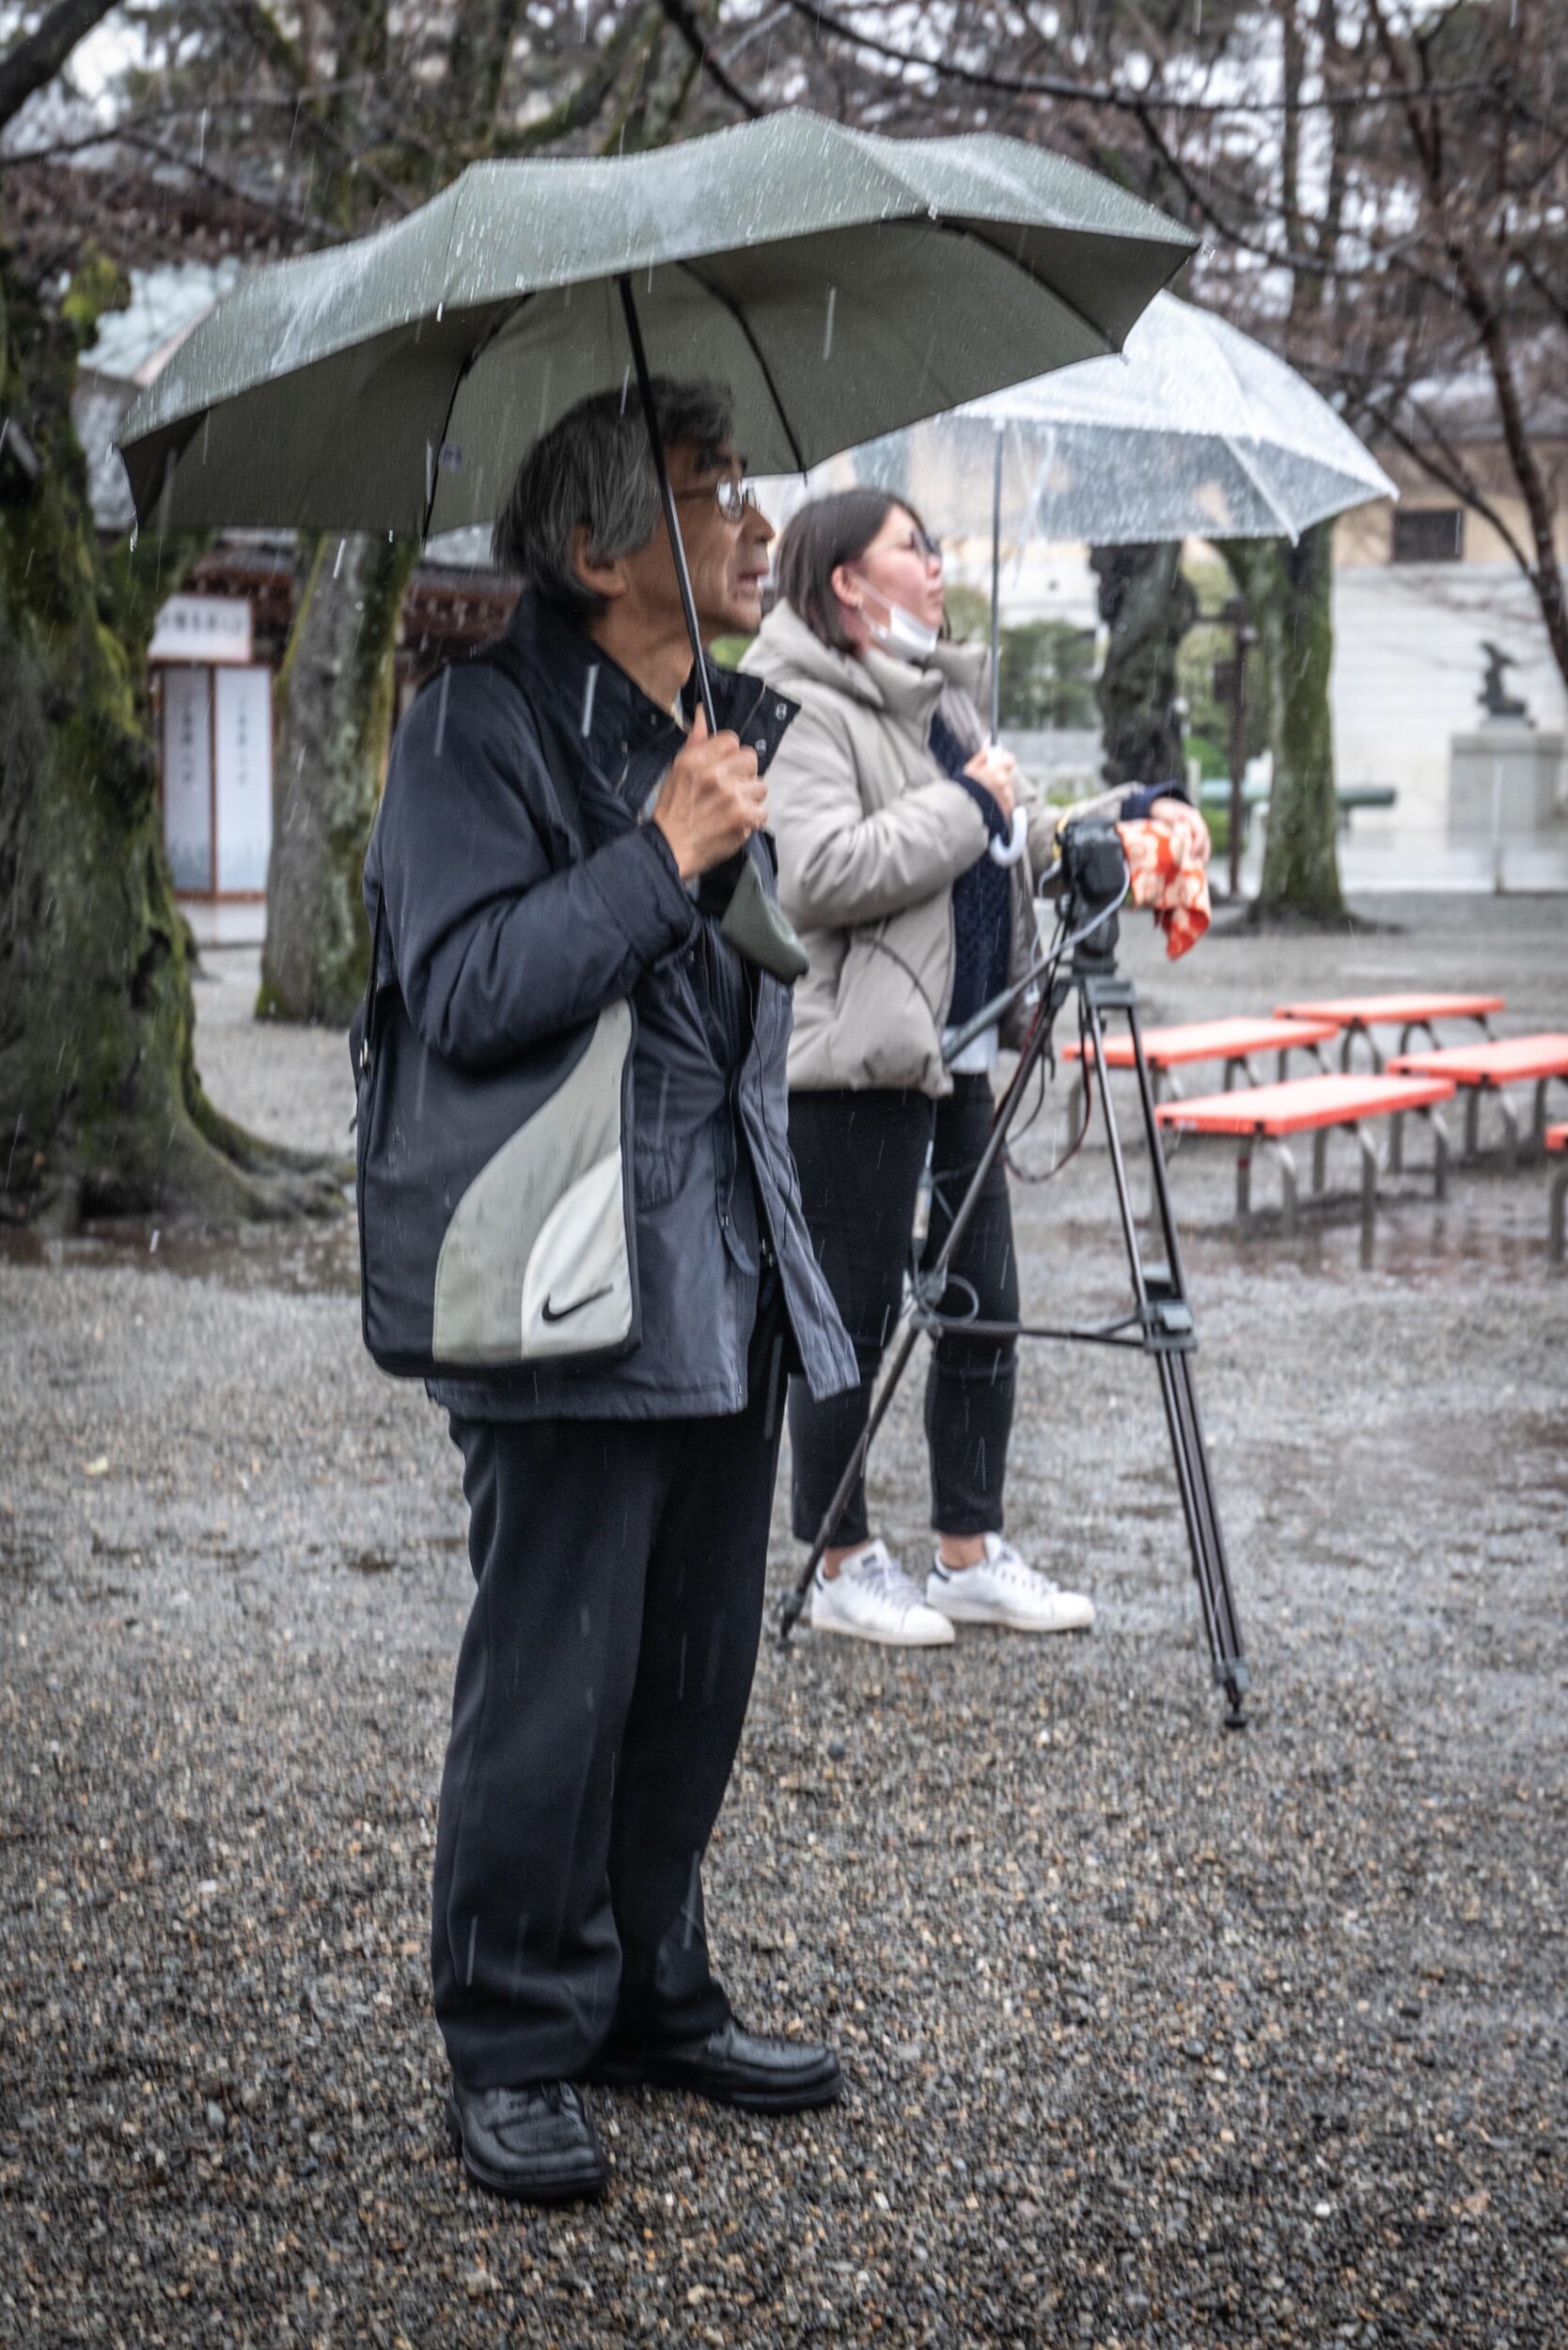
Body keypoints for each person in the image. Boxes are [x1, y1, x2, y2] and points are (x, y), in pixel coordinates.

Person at [366, 381, 856, 2205]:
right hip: (565, 1272)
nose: (748, 523)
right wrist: (662, 852)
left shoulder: (711, 721)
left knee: (688, 1671)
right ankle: (511, 2030)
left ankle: (651, 1985)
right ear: (595, 551)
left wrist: (702, 821)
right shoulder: (471, 729)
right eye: (708, 494)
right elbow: (473, 984)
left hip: (718, 1256)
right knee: (552, 1678)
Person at [744, 489, 1201, 1648]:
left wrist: (1130, 820)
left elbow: (1022, 825)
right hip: (853, 1059)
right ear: (846, 579)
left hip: (968, 1046)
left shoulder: (940, 689)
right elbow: (814, 875)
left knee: (983, 1306)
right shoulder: (799, 700)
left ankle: (967, 1550)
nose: (939, 567)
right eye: (914, 548)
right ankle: (841, 1556)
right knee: (844, 1315)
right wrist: (965, 803)